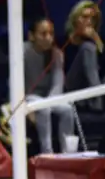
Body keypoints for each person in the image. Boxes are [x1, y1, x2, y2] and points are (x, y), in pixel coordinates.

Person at [24, 17, 74, 154]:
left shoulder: (56, 54)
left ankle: (68, 152)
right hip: (28, 97)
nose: (48, 38)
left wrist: (52, 101)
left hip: (48, 99)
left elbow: (57, 85)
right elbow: (15, 85)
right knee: (44, 108)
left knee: (68, 109)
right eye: (43, 33)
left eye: (51, 34)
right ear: (31, 36)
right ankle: (47, 152)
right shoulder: (22, 52)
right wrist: (25, 108)